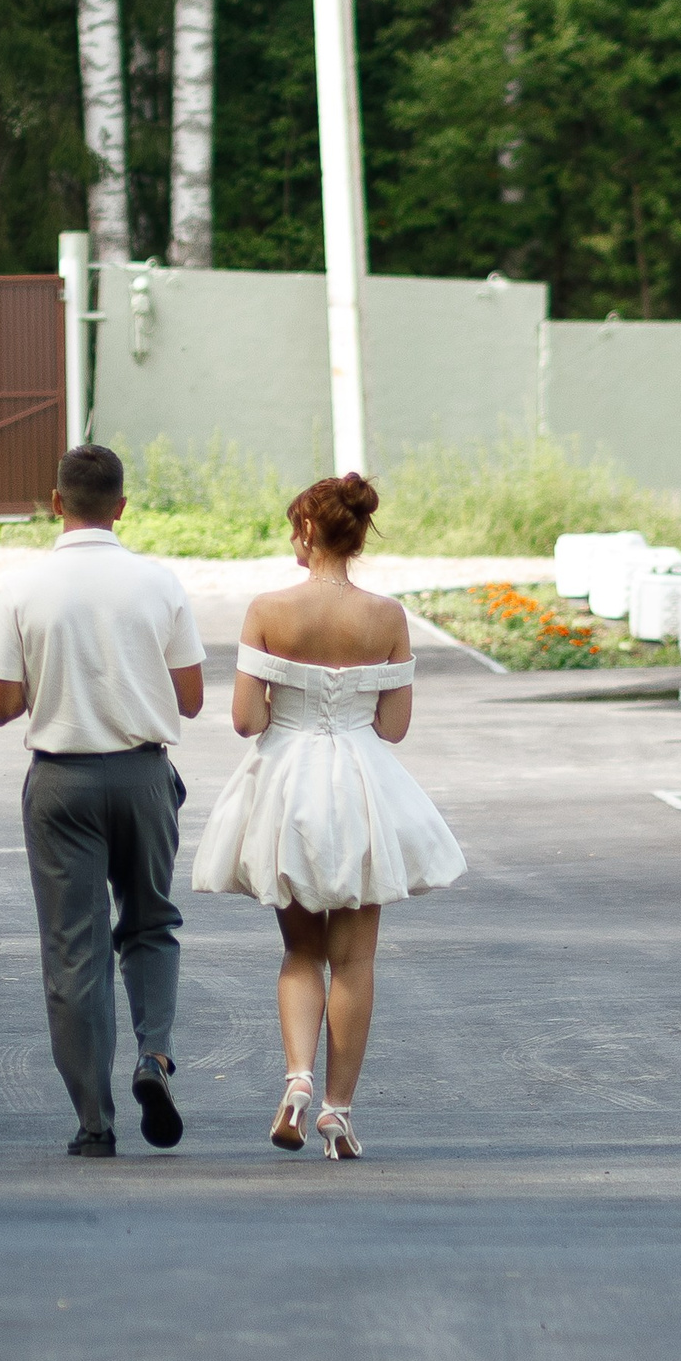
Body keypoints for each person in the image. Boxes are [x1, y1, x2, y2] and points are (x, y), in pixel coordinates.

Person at [192, 473, 465, 1160]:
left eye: (293, 527)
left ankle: (296, 1080)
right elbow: (394, 726)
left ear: (307, 531)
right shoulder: (388, 617)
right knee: (355, 959)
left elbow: (246, 718)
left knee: (300, 951)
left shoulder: (267, 609)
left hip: (287, 784)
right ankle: (338, 1114)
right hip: (362, 785)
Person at [0, 444, 205, 1158]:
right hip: (143, 775)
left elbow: (0, 705)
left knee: (74, 950)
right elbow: (193, 698)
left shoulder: (24, 587)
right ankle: (155, 1055)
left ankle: (93, 1121)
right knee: (150, 921)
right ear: (122, 506)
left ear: (56, 503)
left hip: (62, 780)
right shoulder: (159, 581)